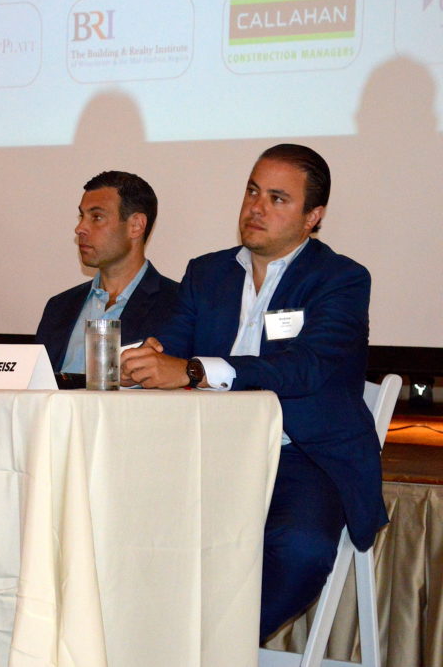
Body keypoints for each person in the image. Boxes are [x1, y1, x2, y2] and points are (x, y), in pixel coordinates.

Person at [120, 144, 386, 640]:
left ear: (314, 217)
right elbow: (172, 345)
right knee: (123, 527)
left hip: (303, 453)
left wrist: (195, 371)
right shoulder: (208, 272)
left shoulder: (341, 280)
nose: (256, 208)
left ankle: (209, 646)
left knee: (300, 548)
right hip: (207, 452)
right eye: (252, 192)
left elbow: (305, 368)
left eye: (278, 198)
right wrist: (146, 358)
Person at [34, 171, 179, 375]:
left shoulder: (177, 304)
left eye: (97, 217)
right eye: (81, 216)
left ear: (136, 225)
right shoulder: (59, 307)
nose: (80, 228)